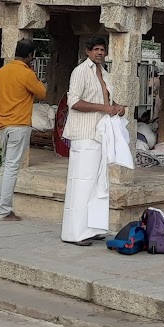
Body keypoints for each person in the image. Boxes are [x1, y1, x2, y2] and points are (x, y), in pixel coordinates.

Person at [61, 37, 125, 245]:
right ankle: (76, 233)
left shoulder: (104, 74)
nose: (99, 52)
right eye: (95, 49)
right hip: (84, 133)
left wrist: (116, 106)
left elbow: (104, 99)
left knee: (99, 183)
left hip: (100, 132)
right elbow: (74, 102)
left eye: (102, 49)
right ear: (88, 52)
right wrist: (105, 108)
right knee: (82, 183)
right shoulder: (80, 71)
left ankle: (94, 227)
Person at [0, 38, 47, 222]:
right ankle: (4, 210)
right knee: (11, 168)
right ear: (31, 56)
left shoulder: (0, 73)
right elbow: (42, 93)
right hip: (19, 125)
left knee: (7, 166)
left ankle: (1, 205)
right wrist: (33, 73)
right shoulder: (26, 74)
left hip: (3, 126)